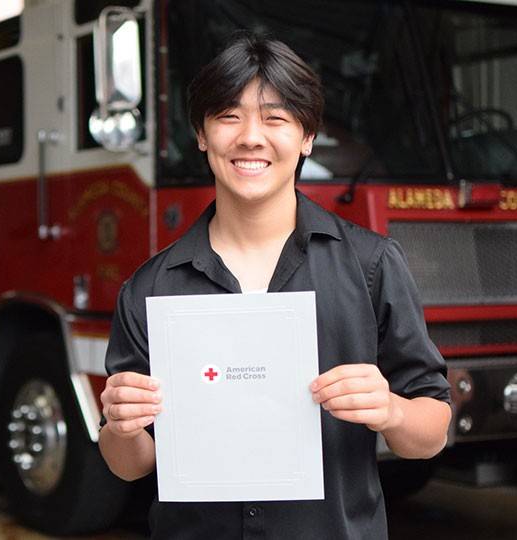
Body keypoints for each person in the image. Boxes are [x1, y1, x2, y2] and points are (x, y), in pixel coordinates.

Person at [98, 33, 452, 539]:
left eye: (275, 117)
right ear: (201, 134)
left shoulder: (371, 265)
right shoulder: (150, 289)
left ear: (307, 136)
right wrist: (121, 425)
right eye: (228, 116)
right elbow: (128, 465)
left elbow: (432, 431)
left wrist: (391, 410)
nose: (250, 137)